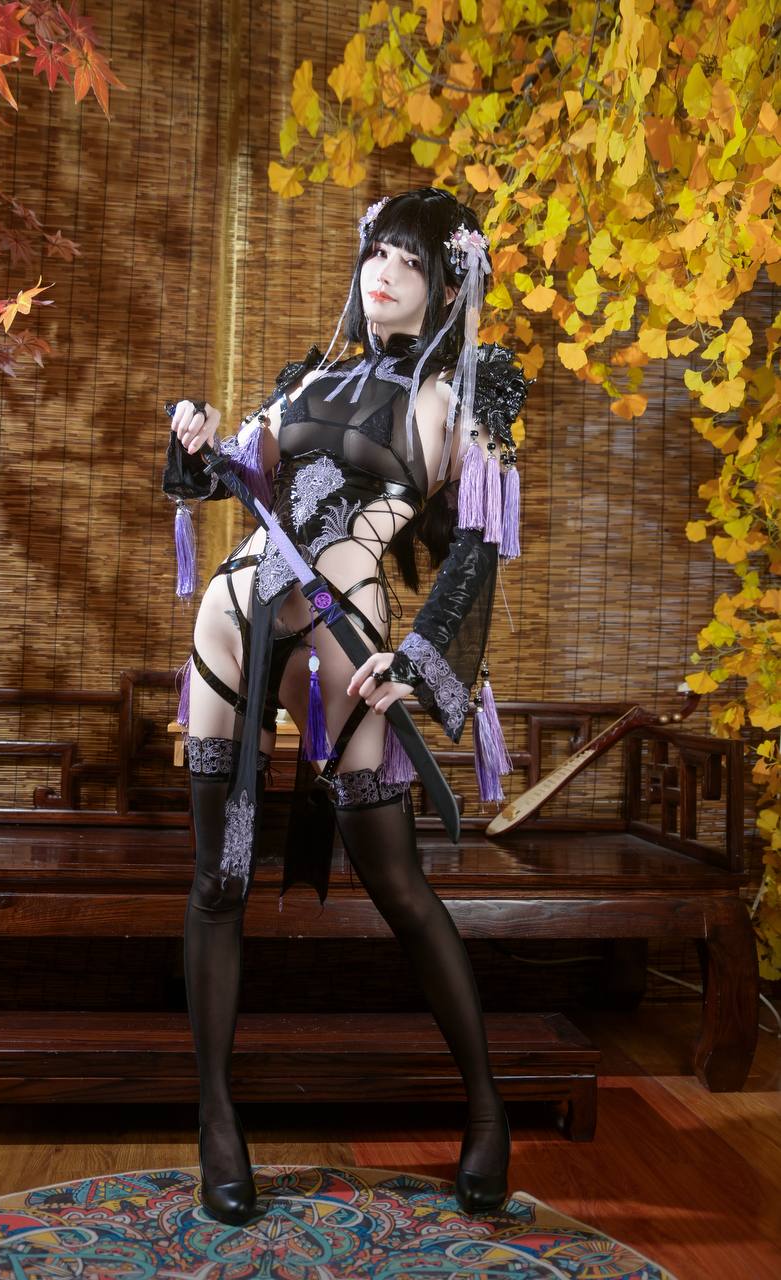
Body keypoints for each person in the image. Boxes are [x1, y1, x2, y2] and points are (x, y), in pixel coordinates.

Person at [163, 186, 534, 1226]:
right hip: (233, 616)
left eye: (410, 262)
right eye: (377, 253)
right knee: (217, 878)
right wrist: (197, 443)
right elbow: (226, 478)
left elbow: (479, 543)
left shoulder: (464, 391)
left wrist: (417, 659)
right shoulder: (306, 377)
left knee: (397, 883)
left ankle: (485, 1106)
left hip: (348, 647)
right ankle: (217, 1120)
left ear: (449, 284)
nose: (385, 273)